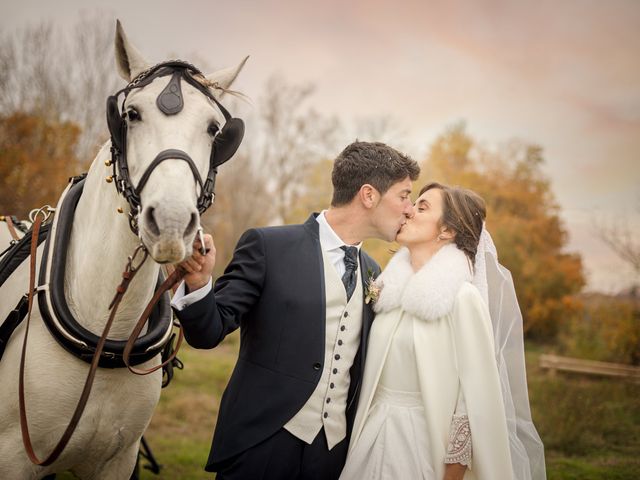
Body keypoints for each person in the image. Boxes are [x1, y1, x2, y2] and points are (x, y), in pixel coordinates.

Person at [171, 141, 420, 479]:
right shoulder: (268, 247)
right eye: (404, 195)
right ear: (369, 195)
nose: (409, 209)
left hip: (333, 457)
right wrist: (200, 284)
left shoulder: (375, 273)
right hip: (261, 447)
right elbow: (208, 332)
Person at [340, 182, 545, 480]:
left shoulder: (463, 298)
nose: (408, 211)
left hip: (422, 448)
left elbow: (473, 400)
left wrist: (452, 472)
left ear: (447, 231)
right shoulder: (387, 294)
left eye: (422, 207)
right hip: (369, 437)